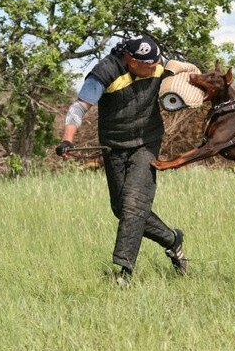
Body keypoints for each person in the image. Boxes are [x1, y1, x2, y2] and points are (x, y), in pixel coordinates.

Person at [55, 34, 187, 286]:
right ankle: (173, 240)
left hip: (147, 144)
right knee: (121, 208)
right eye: (148, 64)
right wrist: (67, 140)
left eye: (157, 61)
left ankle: (124, 273)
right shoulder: (106, 71)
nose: (155, 67)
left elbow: (186, 78)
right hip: (114, 146)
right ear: (130, 59)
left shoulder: (160, 66)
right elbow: (78, 107)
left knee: (133, 205)